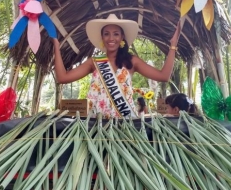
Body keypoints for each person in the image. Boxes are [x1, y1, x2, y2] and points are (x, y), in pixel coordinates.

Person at [53, 14, 181, 118]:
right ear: (102, 37)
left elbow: (163, 76)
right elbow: (62, 78)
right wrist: (56, 48)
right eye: (106, 34)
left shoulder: (132, 61)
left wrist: (173, 46)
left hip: (123, 127)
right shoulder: (94, 62)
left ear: (122, 37)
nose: (111, 38)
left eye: (116, 34)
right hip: (95, 126)